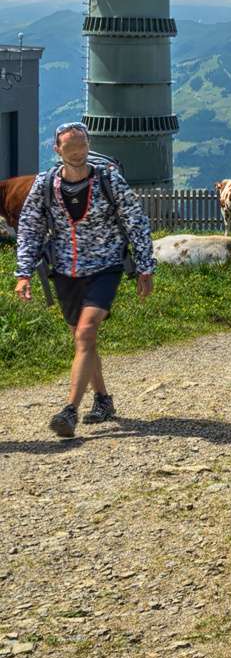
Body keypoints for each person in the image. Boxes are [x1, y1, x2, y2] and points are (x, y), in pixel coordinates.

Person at [13, 122, 156, 437]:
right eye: (70, 148)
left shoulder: (108, 179)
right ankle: (103, 399)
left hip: (106, 267)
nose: (78, 153)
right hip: (65, 271)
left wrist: (145, 267)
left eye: (82, 146)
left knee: (86, 331)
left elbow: (136, 221)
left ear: (88, 146)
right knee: (83, 339)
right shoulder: (46, 184)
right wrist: (24, 273)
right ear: (58, 150)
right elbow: (31, 228)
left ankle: (69, 411)